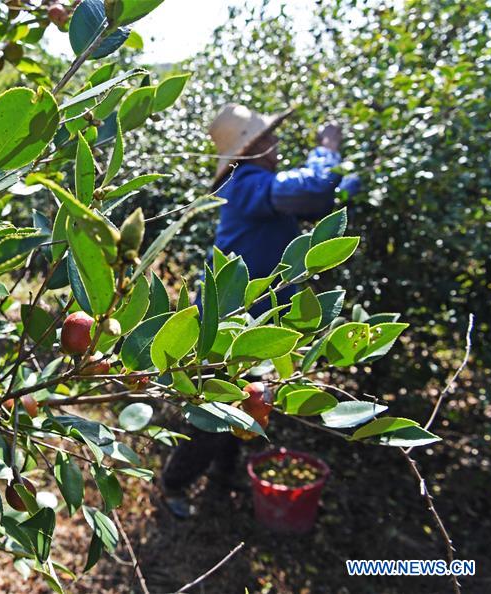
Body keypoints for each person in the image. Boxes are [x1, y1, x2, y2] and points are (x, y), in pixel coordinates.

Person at [161, 103, 360, 519]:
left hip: (254, 324)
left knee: (249, 401)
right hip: (226, 328)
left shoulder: (257, 185)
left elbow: (320, 198)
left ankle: (222, 476)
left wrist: (342, 186)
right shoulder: (246, 182)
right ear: (248, 151)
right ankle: (174, 486)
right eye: (266, 138)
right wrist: (328, 149)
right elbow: (311, 186)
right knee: (212, 413)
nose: (275, 145)